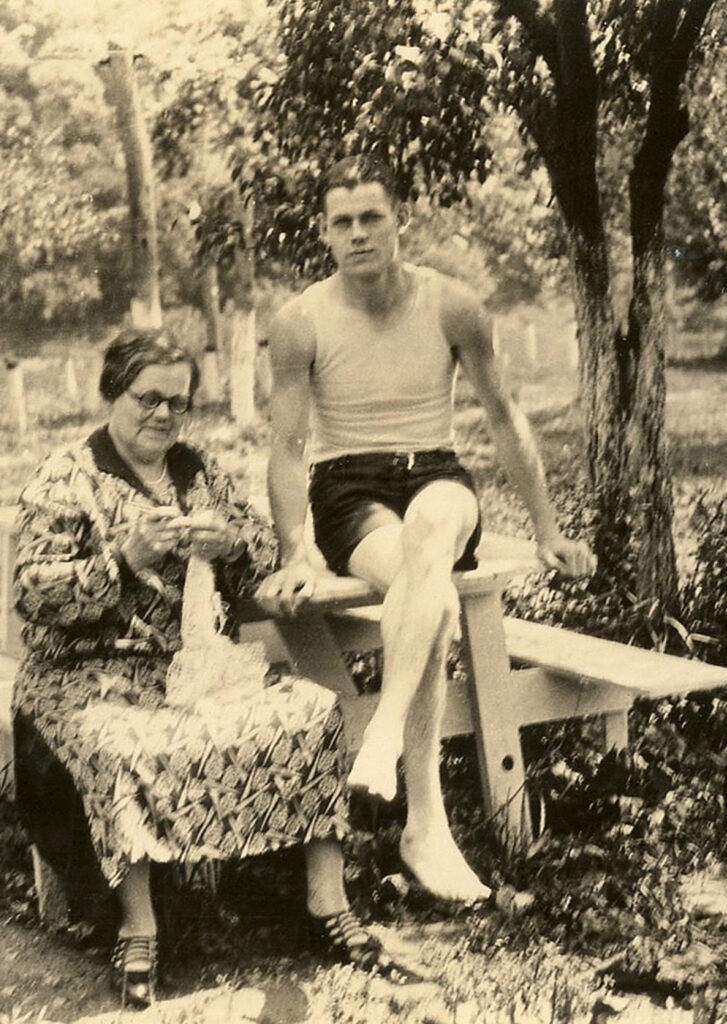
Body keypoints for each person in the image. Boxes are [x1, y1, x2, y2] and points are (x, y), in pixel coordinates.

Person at [11, 329, 425, 1011]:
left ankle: (326, 902)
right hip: (86, 675)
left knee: (314, 713)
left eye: (179, 403)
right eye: (148, 399)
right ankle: (139, 926)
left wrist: (232, 543)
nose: (163, 417)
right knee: (120, 745)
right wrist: (121, 558)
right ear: (111, 393)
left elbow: (264, 556)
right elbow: (33, 592)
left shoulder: (196, 470)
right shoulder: (64, 479)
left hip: (199, 671)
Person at [256, 156, 597, 905]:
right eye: (340, 222)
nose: (356, 234)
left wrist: (545, 526)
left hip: (436, 473)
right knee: (430, 587)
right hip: (349, 490)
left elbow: (503, 417)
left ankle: (380, 735)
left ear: (397, 221)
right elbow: (285, 447)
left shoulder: (453, 305)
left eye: (370, 217)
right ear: (322, 232)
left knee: (435, 528)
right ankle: (423, 821)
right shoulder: (299, 321)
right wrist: (294, 546)